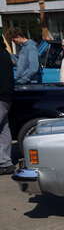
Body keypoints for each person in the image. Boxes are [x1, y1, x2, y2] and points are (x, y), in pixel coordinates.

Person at [0, 43, 14, 174]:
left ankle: (5, 162)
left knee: (4, 129)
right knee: (4, 129)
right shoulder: (6, 54)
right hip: (6, 97)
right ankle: (5, 162)